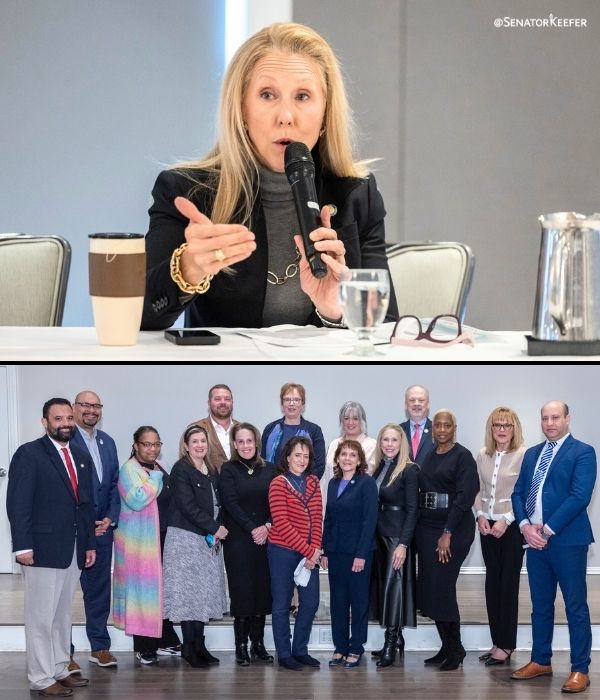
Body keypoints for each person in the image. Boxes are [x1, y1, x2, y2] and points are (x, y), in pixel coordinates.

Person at [141, 21, 397, 331]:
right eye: (267, 95)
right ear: (242, 110)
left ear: (325, 114)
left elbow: (387, 328)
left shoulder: (357, 195)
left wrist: (335, 312)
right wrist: (186, 269)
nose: (285, 117)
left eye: (302, 96)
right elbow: (140, 316)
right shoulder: (186, 191)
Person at [7, 398, 96, 697]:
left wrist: (89, 543)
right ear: (45, 422)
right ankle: (41, 677)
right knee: (40, 618)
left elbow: (86, 505)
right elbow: (18, 504)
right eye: (58, 419)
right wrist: (22, 546)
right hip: (41, 549)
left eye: (69, 417)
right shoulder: (29, 454)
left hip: (73, 548)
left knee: (62, 616)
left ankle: (59, 668)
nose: (65, 423)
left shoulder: (79, 454)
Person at [511, 401, 596, 694]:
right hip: (534, 542)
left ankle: (580, 669)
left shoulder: (583, 452)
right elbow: (518, 493)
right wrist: (525, 526)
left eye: (555, 417)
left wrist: (546, 530)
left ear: (567, 419)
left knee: (575, 606)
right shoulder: (532, 453)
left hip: (567, 542)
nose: (549, 423)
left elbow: (579, 496)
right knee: (541, 606)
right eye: (545, 418)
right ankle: (540, 660)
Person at [415, 409, 479, 671]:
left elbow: (465, 497)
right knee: (431, 588)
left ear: (454, 428)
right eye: (438, 425)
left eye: (447, 425)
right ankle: (446, 647)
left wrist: (447, 532)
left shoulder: (463, 456)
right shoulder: (429, 454)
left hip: (453, 530)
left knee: (442, 588)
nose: (442, 429)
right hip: (427, 529)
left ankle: (457, 649)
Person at [162, 424, 228, 667]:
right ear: (186, 446)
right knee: (189, 597)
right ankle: (189, 649)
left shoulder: (210, 469)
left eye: (203, 441)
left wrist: (218, 527)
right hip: (185, 540)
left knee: (202, 596)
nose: (200, 445)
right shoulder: (181, 469)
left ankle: (200, 646)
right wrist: (214, 527)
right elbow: (187, 506)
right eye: (195, 442)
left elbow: (218, 504)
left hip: (206, 540)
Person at [112, 426, 173, 665]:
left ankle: (164, 639)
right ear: (136, 445)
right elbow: (137, 500)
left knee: (157, 592)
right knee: (142, 593)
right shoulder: (129, 469)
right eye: (147, 444)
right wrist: (155, 478)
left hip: (159, 537)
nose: (153, 449)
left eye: (157, 444)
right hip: (138, 543)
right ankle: (144, 646)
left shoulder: (157, 467)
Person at [69, 391, 120, 670]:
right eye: (85, 405)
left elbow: (113, 484)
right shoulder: (65, 440)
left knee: (99, 590)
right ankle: (63, 653)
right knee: (64, 595)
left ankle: (99, 647)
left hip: (102, 531)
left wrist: (110, 517)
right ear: (74, 407)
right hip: (73, 531)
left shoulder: (107, 442)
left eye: (96, 405)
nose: (91, 410)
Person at [219, 423, 277, 666]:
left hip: (266, 538)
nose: (245, 446)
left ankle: (258, 644)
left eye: (249, 441)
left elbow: (277, 502)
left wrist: (267, 526)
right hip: (239, 540)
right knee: (242, 592)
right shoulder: (228, 469)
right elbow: (230, 504)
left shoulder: (270, 469)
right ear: (234, 444)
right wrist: (253, 528)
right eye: (240, 441)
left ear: (257, 443)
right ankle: (241, 646)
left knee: (262, 591)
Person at [474, 407, 526, 667]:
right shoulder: (483, 454)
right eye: (497, 425)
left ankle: (507, 644)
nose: (502, 430)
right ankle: (497, 641)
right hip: (487, 526)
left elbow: (525, 493)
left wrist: (506, 520)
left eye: (507, 425)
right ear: (491, 429)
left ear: (514, 428)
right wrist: (480, 515)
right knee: (492, 585)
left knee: (507, 586)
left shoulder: (523, 455)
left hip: (512, 527)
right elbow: (477, 489)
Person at [321, 440, 378, 669]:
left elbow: (369, 521)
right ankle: (340, 647)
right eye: (343, 454)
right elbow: (328, 518)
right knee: (338, 602)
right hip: (335, 553)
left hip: (358, 554)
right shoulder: (333, 483)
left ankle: (356, 648)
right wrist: (325, 550)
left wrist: (361, 554)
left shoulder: (366, 483)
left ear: (359, 459)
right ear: (337, 458)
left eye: (352, 455)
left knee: (358, 601)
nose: (347, 458)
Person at [267, 436, 323, 671]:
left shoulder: (313, 482)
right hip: (282, 552)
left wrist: (315, 551)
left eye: (306, 456)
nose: (302, 460)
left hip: (309, 554)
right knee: (281, 605)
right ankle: (284, 654)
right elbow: (281, 523)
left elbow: (318, 518)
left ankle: (300, 650)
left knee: (310, 603)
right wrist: (309, 551)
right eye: (297, 455)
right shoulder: (278, 484)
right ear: (288, 457)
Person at [370, 424, 419, 668]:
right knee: (385, 588)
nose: (389, 444)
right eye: (385, 440)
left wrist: (403, 544)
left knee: (394, 588)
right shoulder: (379, 467)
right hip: (379, 534)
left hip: (396, 537)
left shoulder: (409, 470)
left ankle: (391, 642)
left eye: (394, 440)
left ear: (402, 444)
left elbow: (413, 510)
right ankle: (396, 637)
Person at [262, 382, 326, 479]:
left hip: (304, 486)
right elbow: (262, 462)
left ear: (302, 404)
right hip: (273, 484)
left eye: (296, 400)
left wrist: (305, 485)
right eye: (287, 399)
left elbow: (319, 466)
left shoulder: (314, 430)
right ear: (282, 404)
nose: (291, 404)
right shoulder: (270, 429)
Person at [322, 400, 377, 505]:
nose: (350, 422)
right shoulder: (334, 444)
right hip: (333, 502)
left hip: (359, 504)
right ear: (341, 421)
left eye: (355, 418)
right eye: (346, 418)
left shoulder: (372, 445)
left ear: (362, 421)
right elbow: (326, 478)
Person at [192, 384, 239, 471]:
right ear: (209, 403)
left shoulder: (242, 429)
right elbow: (188, 465)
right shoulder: (196, 429)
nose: (223, 402)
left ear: (232, 402)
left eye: (227, 399)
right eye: (217, 399)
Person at [400, 385, 434, 465]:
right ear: (406, 405)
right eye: (412, 400)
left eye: (421, 400)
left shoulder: (437, 431)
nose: (416, 403)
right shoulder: (399, 431)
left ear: (428, 404)